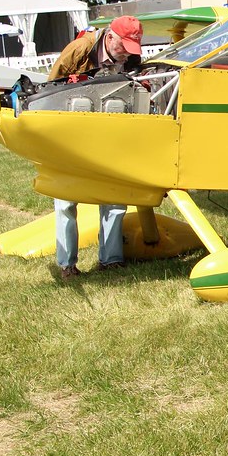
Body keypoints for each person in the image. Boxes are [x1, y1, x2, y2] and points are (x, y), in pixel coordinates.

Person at [50, 15, 144, 279]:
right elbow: (50, 90)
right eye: (123, 46)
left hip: (112, 134)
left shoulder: (131, 57)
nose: (127, 53)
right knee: (66, 200)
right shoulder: (79, 50)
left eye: (132, 48)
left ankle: (111, 260)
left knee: (115, 197)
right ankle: (67, 264)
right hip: (70, 132)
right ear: (110, 37)